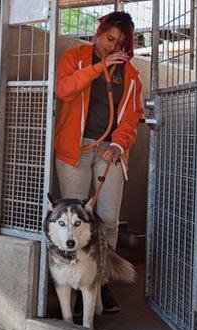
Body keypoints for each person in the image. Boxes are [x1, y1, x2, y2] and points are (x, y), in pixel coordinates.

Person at [53, 11, 144, 312]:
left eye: (120, 42)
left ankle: (101, 283)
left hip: (109, 152)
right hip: (76, 150)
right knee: (73, 220)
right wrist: (98, 68)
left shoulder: (130, 74)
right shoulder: (76, 56)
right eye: (109, 39)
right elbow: (64, 90)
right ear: (99, 33)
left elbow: (133, 114)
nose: (113, 46)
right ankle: (75, 290)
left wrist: (118, 144)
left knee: (108, 220)